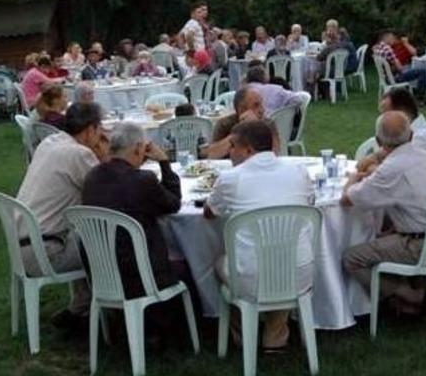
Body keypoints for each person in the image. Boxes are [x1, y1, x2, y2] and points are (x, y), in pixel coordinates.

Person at [203, 120, 313, 351]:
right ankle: (275, 334)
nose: (229, 152)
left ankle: (244, 334)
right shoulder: (299, 171)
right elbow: (309, 202)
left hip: (252, 280)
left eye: (233, 146)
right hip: (302, 272)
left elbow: (209, 213)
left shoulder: (231, 178)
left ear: (248, 150)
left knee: (220, 262)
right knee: (281, 257)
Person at [340, 111, 426, 313]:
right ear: (411, 136)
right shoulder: (425, 154)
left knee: (352, 258)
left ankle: (407, 295)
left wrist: (354, 178)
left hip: (423, 245)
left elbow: (347, 199)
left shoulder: (392, 168)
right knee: (384, 231)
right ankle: (406, 300)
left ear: (378, 140)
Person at [81, 122, 184, 338]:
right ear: (139, 149)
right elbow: (173, 204)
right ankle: (170, 326)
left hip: (102, 274)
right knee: (189, 264)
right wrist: (164, 162)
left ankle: (138, 323)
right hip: (141, 277)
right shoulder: (143, 181)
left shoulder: (91, 178)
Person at [15, 102, 109, 326]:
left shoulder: (49, 142)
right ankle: (108, 313)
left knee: (82, 234)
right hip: (46, 253)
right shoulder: (79, 154)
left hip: (21, 246)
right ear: (89, 130)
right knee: (107, 242)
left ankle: (80, 308)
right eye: (100, 130)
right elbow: (108, 192)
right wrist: (105, 157)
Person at [358, 88, 426, 176]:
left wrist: (369, 167)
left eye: (385, 115)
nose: (381, 119)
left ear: (403, 113)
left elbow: (386, 173)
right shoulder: (410, 132)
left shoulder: (421, 137)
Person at [206, 88, 279, 159]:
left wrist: (256, 128)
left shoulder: (268, 124)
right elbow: (212, 155)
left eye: (261, 105)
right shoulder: (225, 124)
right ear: (242, 109)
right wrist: (240, 132)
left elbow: (274, 154)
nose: (262, 110)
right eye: (256, 105)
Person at [373, 29, 426, 94]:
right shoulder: (387, 49)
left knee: (413, 69)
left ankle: (415, 91)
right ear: (386, 37)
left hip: (386, 78)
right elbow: (400, 68)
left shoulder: (377, 48)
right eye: (391, 37)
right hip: (394, 78)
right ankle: (420, 96)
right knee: (423, 72)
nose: (393, 39)